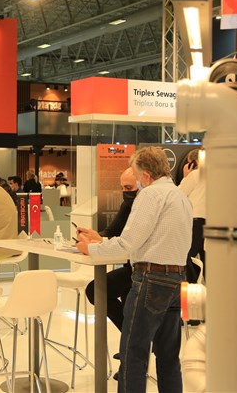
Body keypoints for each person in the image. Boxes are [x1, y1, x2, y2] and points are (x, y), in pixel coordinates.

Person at [76, 147, 192, 392]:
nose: (137, 184)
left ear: (146, 175)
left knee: (133, 354)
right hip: (178, 279)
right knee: (169, 356)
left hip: (152, 278)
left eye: (137, 177)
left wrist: (91, 249)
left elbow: (128, 243)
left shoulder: (150, 195)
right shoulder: (180, 195)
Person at [84, 167, 138, 332]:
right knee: (95, 290)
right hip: (132, 268)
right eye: (122, 188)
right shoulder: (127, 206)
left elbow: (128, 243)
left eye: (128, 188)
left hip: (147, 270)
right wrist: (93, 237)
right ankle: (131, 334)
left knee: (123, 292)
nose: (124, 192)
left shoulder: (147, 208)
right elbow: (111, 232)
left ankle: (132, 336)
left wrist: (97, 245)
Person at [178, 148, 206, 284]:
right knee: (208, 261)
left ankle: (190, 286)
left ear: (194, 162)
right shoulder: (218, 174)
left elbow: (179, 194)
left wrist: (186, 176)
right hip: (210, 223)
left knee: (186, 258)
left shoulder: (195, 175)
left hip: (195, 223)